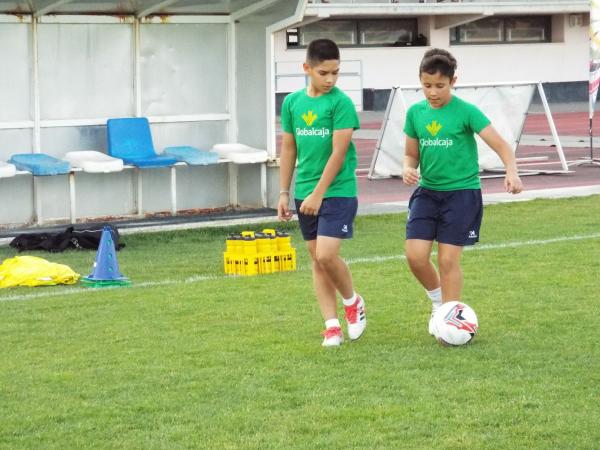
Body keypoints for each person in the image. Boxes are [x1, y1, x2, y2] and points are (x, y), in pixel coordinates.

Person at [402, 48, 523, 335]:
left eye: (439, 86)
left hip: (462, 195)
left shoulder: (466, 111)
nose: (432, 92)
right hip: (427, 193)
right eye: (426, 85)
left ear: (453, 82)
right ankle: (438, 304)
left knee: (447, 259)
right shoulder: (414, 113)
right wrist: (408, 168)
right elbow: (410, 155)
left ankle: (451, 322)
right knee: (415, 255)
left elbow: (503, 146)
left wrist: (512, 171)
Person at [278, 38, 366, 347]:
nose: (330, 80)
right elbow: (288, 148)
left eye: (335, 73)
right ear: (307, 69)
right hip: (304, 191)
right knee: (316, 260)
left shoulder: (340, 103)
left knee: (327, 255)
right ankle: (331, 326)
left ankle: (352, 302)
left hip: (337, 190)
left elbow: (338, 154)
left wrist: (318, 193)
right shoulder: (291, 103)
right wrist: (284, 193)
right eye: (323, 73)